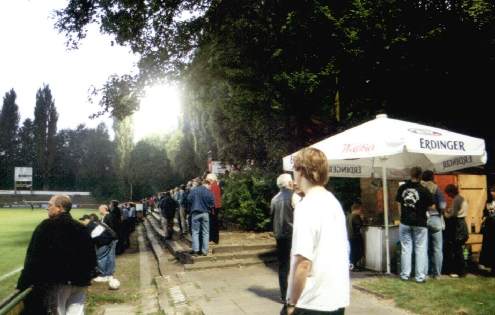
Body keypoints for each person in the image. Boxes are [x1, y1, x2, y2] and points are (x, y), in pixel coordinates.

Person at [285, 148, 349, 315]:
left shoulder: (306, 207)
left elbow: (303, 262)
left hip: (311, 302)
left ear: (301, 170)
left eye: (294, 169)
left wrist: (292, 302)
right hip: (336, 298)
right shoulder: (332, 201)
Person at [17, 195, 97, 315]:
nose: (47, 208)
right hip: (81, 281)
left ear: (59, 207)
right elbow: (91, 257)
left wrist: (23, 283)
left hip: (59, 282)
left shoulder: (47, 226)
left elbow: (33, 257)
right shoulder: (81, 227)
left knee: (58, 312)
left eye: (49, 205)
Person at [396, 167, 434, 283]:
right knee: (420, 249)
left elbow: (398, 204)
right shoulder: (424, 190)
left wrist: (401, 216)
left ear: (410, 175)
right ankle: (419, 277)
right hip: (420, 223)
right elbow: (432, 207)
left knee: (406, 249)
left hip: (405, 222)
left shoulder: (402, 188)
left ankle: (405, 275)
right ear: (421, 176)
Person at [270, 173, 294, 303]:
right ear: (289, 183)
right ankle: (295, 293)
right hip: (293, 234)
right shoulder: (294, 196)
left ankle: (284, 295)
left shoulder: (274, 199)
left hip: (279, 235)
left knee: (283, 265)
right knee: (296, 264)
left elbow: (271, 216)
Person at [421, 170, 446, 278]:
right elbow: (443, 205)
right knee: (437, 248)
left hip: (422, 219)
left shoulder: (420, 188)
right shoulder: (436, 189)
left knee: (423, 248)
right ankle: (437, 274)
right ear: (432, 177)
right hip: (435, 218)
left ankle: (425, 273)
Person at [80, 213, 118, 283]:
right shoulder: (96, 223)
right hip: (111, 239)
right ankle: (109, 275)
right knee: (109, 258)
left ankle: (103, 276)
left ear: (86, 220)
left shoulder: (90, 226)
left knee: (101, 258)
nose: (82, 222)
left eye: (83, 220)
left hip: (106, 242)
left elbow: (89, 241)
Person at [444, 184, 469, 278]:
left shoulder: (456, 199)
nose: (448, 196)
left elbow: (453, 214)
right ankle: (462, 270)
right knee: (460, 249)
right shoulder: (461, 198)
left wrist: (445, 214)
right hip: (463, 223)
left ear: (451, 192)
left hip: (458, 224)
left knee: (457, 249)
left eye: (448, 193)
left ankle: (461, 271)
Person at [187, 177, 215, 256]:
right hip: (205, 213)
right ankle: (205, 251)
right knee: (205, 232)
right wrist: (208, 206)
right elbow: (212, 202)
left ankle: (196, 250)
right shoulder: (208, 191)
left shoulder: (193, 191)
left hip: (195, 213)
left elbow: (188, 200)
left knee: (195, 232)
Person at [480, 186, 495, 276]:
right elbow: (485, 213)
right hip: (490, 228)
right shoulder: (488, 202)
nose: (491, 193)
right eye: (491, 191)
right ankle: (492, 268)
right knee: (490, 248)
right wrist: (484, 217)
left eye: (493, 191)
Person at [347, 202, 364, 271]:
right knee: (357, 251)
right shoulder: (356, 216)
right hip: (355, 236)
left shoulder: (348, 216)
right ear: (357, 209)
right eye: (360, 210)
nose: (361, 211)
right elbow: (359, 225)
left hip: (349, 236)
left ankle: (352, 266)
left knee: (351, 252)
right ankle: (354, 266)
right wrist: (362, 219)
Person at [207, 173, 222, 244]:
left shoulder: (213, 186)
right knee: (214, 223)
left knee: (212, 223)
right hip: (216, 207)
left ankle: (213, 239)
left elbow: (212, 198)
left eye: (208, 180)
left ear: (211, 179)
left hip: (213, 207)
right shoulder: (216, 185)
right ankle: (215, 239)